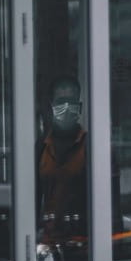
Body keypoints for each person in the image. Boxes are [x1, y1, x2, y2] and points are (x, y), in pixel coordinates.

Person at [36, 75, 88, 248]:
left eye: (71, 101)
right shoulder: (42, 146)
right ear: (52, 106)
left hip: (84, 243)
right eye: (61, 101)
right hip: (49, 241)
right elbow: (33, 198)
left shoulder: (89, 146)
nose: (66, 107)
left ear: (79, 106)